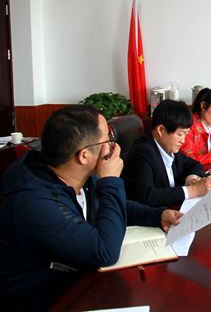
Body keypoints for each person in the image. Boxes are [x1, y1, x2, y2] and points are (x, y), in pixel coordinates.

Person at [0, 105, 182, 311]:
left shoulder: (78, 176)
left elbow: (110, 206)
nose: (113, 146)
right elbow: (104, 252)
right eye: (108, 139)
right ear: (84, 155)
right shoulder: (34, 203)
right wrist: (110, 181)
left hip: (80, 284)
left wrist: (157, 215)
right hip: (45, 302)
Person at [123, 99, 211, 207]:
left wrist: (192, 178)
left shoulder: (169, 147)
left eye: (186, 134)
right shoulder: (141, 153)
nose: (183, 140)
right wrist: (192, 191)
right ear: (161, 130)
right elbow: (146, 196)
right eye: (180, 134)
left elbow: (194, 164)